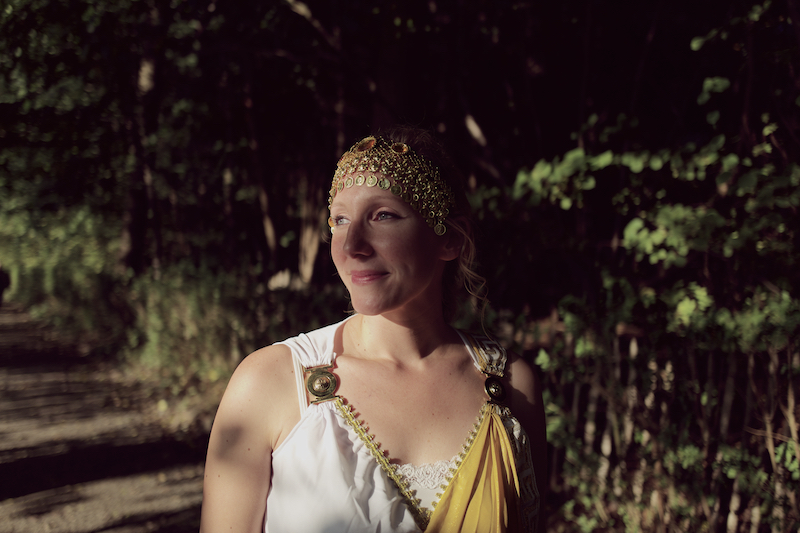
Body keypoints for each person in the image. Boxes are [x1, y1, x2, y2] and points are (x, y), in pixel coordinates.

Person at [199, 128, 547, 533]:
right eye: (340, 219)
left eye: (383, 216)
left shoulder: (511, 387)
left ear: (449, 239)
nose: (352, 245)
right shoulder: (269, 383)